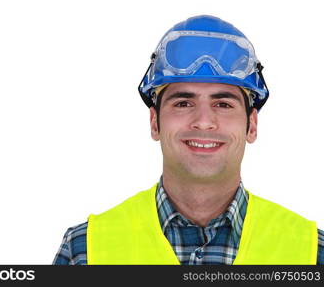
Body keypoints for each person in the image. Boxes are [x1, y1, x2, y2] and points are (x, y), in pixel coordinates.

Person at [53, 15, 324, 265]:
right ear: (154, 122)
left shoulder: (313, 253)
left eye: (223, 104)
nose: (203, 121)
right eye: (183, 103)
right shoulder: (84, 251)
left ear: (251, 125)